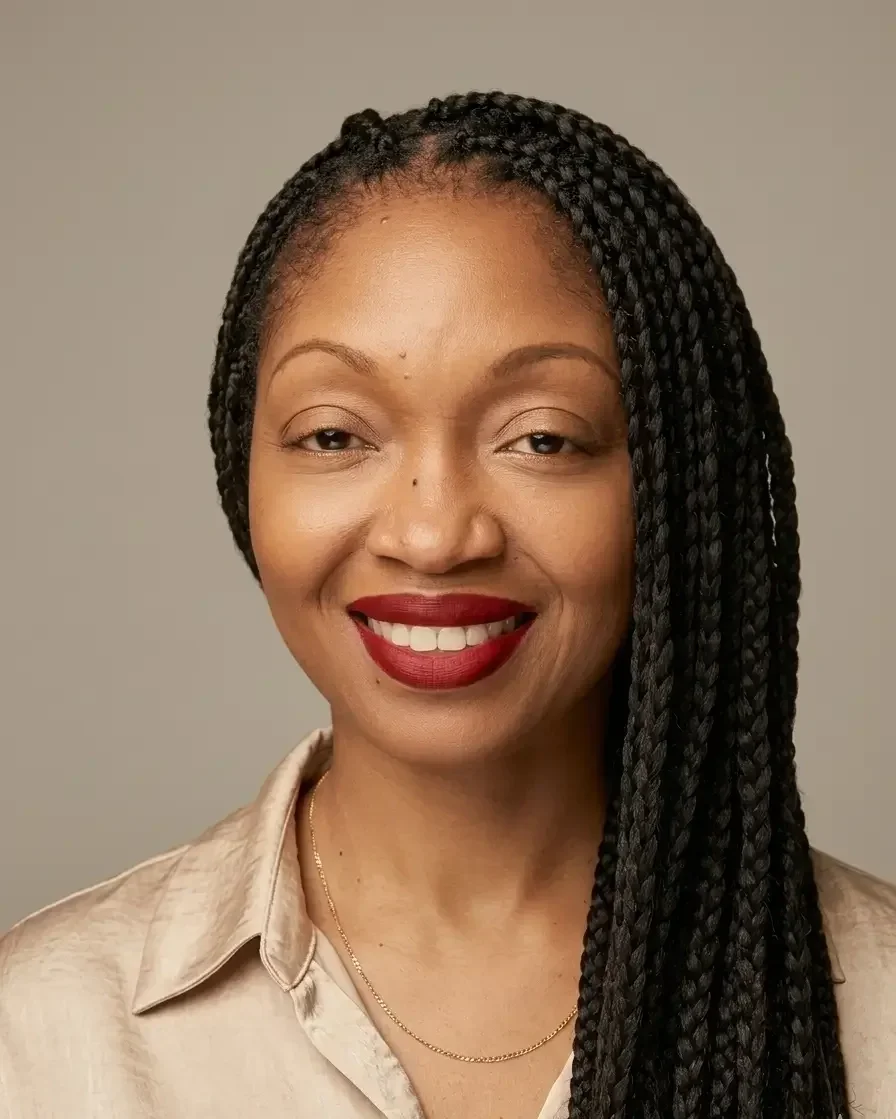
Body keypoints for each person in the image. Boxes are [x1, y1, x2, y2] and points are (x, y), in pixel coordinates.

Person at [0, 90, 893, 1119]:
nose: (433, 535)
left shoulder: (876, 1008)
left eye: (542, 437)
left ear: (676, 486)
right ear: (242, 473)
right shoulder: (39, 1036)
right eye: (334, 435)